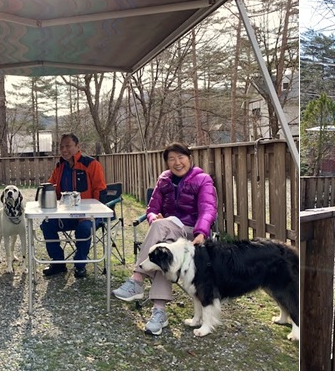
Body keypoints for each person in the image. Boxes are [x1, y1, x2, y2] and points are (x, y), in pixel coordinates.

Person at [110, 142, 217, 335]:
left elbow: (208, 209)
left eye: (181, 157)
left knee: (160, 228)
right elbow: (152, 209)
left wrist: (201, 232)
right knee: (163, 252)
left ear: (189, 158)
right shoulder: (164, 180)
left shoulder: (202, 179)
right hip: (168, 233)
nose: (177, 163)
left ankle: (137, 278)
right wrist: (153, 218)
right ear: (167, 162)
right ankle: (159, 312)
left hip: (190, 233)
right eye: (172, 159)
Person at [41, 133, 105, 279]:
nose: (64, 149)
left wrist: (92, 214)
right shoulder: (60, 167)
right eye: (61, 146)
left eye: (68, 146)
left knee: (84, 228)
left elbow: (100, 191)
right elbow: (52, 188)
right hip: (66, 214)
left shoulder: (91, 164)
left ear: (77, 147)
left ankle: (80, 265)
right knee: (46, 224)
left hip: (89, 216)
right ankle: (58, 263)